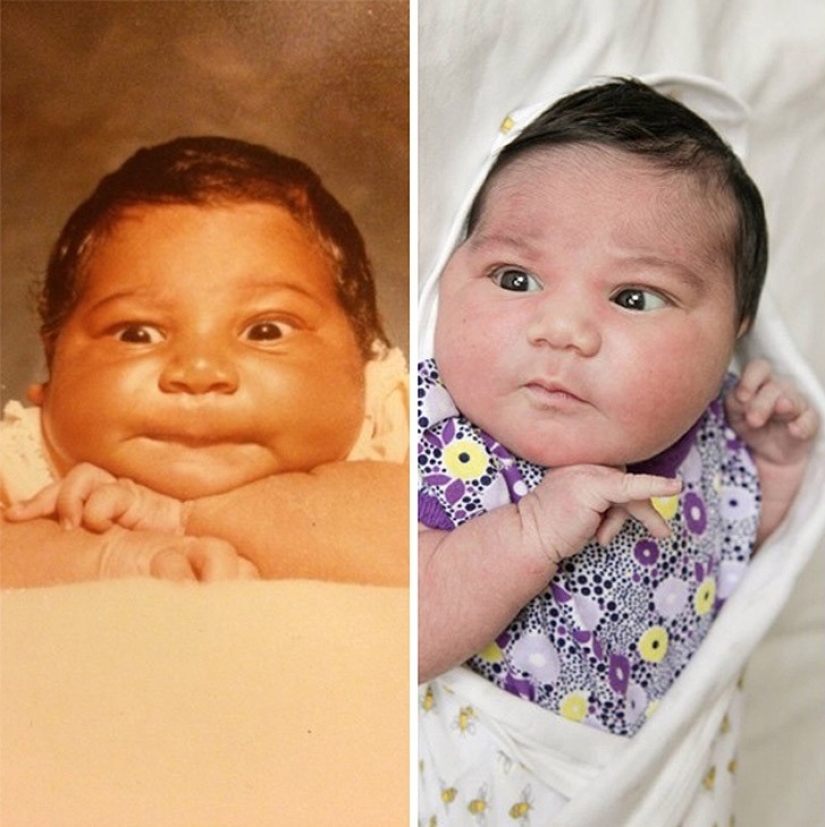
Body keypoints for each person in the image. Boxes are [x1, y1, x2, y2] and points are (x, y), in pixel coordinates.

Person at [417, 78, 818, 822]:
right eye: (515, 278)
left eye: (632, 297)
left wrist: (772, 470)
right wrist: (532, 529)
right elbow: (396, 639)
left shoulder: (707, 452)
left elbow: (725, 559)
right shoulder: (436, 434)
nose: (562, 328)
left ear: (736, 329)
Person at [1, 136, 408, 587]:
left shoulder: (394, 437)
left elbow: (411, 548)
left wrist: (181, 516)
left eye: (266, 330)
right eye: (137, 333)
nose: (198, 373)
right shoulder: (22, 467)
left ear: (365, 364)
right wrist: (115, 557)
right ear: (51, 367)